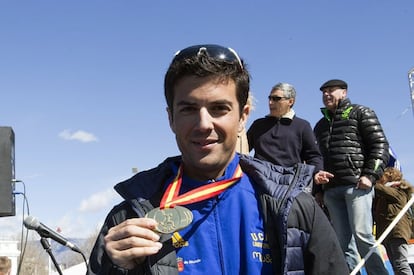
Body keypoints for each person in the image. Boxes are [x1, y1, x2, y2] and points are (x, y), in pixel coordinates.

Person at [87, 44, 348, 275]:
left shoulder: (295, 206)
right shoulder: (129, 217)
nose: (204, 124)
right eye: (188, 109)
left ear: (243, 116)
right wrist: (113, 268)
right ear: (171, 119)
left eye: (219, 108)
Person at [314, 79, 390, 274]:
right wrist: (319, 189)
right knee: (342, 240)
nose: (327, 95)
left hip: (357, 186)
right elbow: (318, 158)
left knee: (362, 235)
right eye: (324, 92)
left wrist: (370, 176)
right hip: (331, 190)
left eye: (331, 91)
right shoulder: (321, 125)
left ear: (344, 93)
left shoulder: (361, 112)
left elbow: (380, 146)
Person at [247, 82, 333, 196]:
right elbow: (242, 148)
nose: (270, 102)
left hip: (289, 188)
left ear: (290, 101)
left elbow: (313, 155)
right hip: (258, 185)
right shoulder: (258, 125)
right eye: (270, 98)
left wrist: (318, 172)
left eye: (276, 98)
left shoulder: (302, 126)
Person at [374, 167, 413, 275]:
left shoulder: (399, 192)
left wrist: (371, 179)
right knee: (395, 265)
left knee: (400, 263)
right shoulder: (385, 196)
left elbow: (378, 188)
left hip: (397, 232)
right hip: (388, 234)